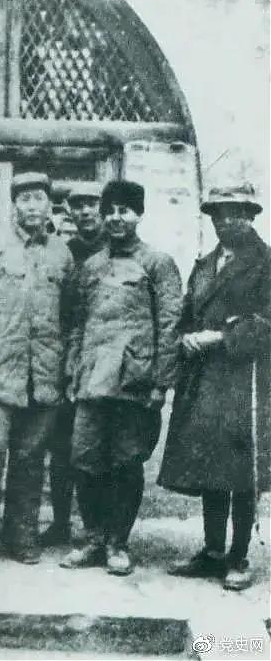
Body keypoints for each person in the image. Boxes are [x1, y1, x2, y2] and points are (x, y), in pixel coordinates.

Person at [60, 180, 182, 576]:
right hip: (92, 379)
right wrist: (72, 371)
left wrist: (161, 383)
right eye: (109, 211)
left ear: (139, 215)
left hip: (134, 381)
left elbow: (169, 326)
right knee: (84, 459)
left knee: (126, 462)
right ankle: (93, 537)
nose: (115, 218)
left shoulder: (157, 263)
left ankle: (118, 543)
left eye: (124, 211)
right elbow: (78, 324)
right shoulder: (91, 266)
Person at [0, 172, 76, 564]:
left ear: (49, 205)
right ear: (14, 205)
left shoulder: (62, 253)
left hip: (42, 376)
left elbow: (69, 311)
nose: (32, 206)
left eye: (38, 198)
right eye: (24, 199)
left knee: (30, 459)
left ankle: (21, 536)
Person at [159, 183, 270, 591]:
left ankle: (238, 556)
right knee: (210, 466)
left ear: (251, 216)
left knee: (240, 470)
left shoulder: (266, 262)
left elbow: (268, 322)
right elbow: (189, 311)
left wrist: (220, 337)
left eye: (236, 212)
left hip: (246, 380)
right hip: (204, 380)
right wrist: (187, 336)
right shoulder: (205, 264)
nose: (227, 221)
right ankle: (212, 551)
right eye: (220, 213)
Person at [41, 180, 105, 547]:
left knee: (98, 447)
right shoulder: (64, 252)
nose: (85, 211)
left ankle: (100, 528)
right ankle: (61, 522)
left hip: (102, 361)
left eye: (92, 204)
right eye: (77, 205)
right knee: (61, 446)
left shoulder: (116, 249)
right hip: (65, 360)